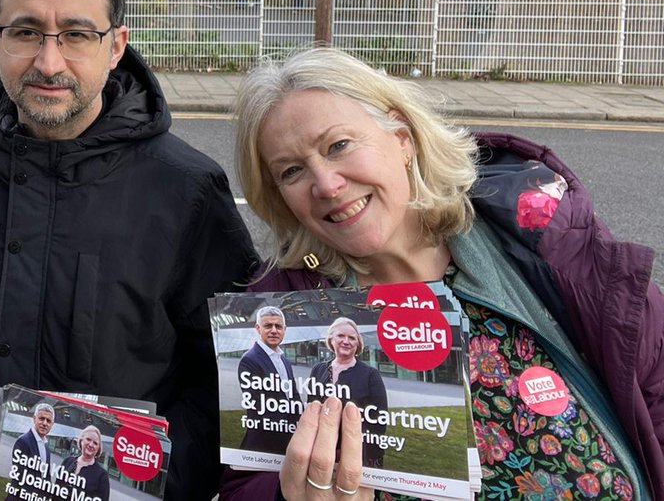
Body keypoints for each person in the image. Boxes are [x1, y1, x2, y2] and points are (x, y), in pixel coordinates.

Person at [219, 45, 664, 500]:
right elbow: (246, 480)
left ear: (402, 138)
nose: (327, 184)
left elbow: (654, 386)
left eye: (339, 145)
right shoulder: (280, 312)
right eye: (292, 171)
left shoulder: (539, 238)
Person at [0, 0, 259, 499]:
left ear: (116, 45)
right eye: (25, 32)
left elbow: (228, 374)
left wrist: (159, 483)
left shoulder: (187, 186)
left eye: (76, 35)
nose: (49, 63)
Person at [305, 317, 387, 469]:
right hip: (321, 449)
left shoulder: (370, 375)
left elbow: (379, 421)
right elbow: (312, 409)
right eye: (341, 336)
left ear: (358, 343)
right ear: (331, 339)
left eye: (351, 338)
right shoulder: (318, 370)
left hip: (356, 452)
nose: (346, 341)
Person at [237, 306, 300, 456]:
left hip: (287, 437)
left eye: (278, 326)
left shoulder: (285, 360)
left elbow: (294, 395)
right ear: (258, 328)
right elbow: (259, 405)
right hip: (263, 441)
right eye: (268, 326)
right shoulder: (249, 360)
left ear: (284, 329)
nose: (273, 330)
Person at [59, 425, 109, 501]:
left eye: (95, 443)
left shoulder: (102, 476)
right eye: (88, 439)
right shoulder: (67, 462)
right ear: (81, 440)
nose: (91, 445)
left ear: (98, 449)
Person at [11, 402, 55, 473]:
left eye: (48, 421)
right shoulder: (22, 442)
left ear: (52, 424)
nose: (44, 423)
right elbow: (18, 474)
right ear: (34, 419)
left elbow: (46, 476)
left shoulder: (46, 446)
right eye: (41, 418)